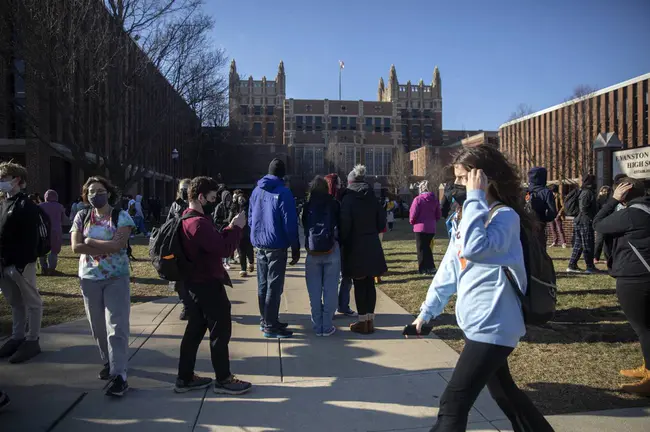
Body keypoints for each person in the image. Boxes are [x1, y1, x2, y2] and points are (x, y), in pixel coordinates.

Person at [413, 145, 553, 432]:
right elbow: (450, 269)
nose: (460, 186)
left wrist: (475, 198)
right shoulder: (469, 216)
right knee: (506, 394)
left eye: (464, 178)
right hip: (478, 322)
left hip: (495, 323)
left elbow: (476, 249)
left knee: (453, 403)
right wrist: (427, 312)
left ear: (484, 178)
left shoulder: (505, 217)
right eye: (459, 180)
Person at [175, 176, 252, 395]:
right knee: (220, 331)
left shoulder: (187, 219)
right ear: (200, 197)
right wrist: (236, 228)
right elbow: (224, 249)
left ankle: (185, 377)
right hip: (207, 284)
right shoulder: (197, 223)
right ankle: (224, 379)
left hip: (195, 284)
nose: (215, 201)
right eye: (212, 197)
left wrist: (228, 228)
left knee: (195, 330)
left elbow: (215, 243)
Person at [70, 176, 135, 397]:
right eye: (90, 192)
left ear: (108, 192)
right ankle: (108, 361)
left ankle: (120, 376)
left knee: (116, 326)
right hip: (88, 278)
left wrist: (90, 242)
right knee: (97, 326)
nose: (94, 195)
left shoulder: (121, 216)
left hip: (116, 278)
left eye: (99, 190)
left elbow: (118, 245)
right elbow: (74, 247)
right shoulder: (82, 216)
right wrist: (99, 246)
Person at [593, 178, 650, 396]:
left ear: (623, 193)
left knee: (643, 328)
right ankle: (646, 367)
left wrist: (612, 201)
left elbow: (598, 223)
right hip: (645, 273)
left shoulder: (631, 214)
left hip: (634, 277)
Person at [249, 158, 300, 339]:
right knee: (274, 286)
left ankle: (266, 319)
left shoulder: (256, 191)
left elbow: (250, 217)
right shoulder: (284, 192)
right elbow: (290, 222)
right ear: (282, 175)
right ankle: (270, 324)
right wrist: (295, 245)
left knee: (262, 284)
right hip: (276, 244)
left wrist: (254, 235)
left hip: (259, 243)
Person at [0, 162, 44, 364]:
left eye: (3, 179)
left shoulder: (27, 206)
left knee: (32, 302)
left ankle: (32, 340)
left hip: (20, 264)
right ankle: (17, 337)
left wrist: (21, 263)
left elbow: (30, 239)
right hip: (4, 264)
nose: (1, 183)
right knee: (15, 303)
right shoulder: (3, 203)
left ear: (17, 180)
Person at [340, 165, 387, 335]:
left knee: (359, 283)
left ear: (350, 182)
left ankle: (362, 322)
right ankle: (370, 321)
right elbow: (382, 223)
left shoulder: (348, 199)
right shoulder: (372, 197)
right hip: (372, 244)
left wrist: (343, 241)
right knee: (370, 284)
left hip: (355, 246)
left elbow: (345, 227)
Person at [302, 176, 341, 337]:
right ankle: (327, 325)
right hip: (331, 248)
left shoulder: (307, 205)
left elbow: (304, 226)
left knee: (314, 292)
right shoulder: (334, 203)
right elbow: (341, 224)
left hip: (312, 252)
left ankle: (317, 325)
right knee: (331, 289)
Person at [325, 173, 357, 317]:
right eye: (338, 183)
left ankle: (333, 307)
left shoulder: (324, 200)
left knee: (333, 279)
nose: (341, 185)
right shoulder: (339, 201)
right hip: (340, 243)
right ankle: (341, 305)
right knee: (344, 276)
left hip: (328, 244)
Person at [168, 179, 191, 320]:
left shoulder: (197, 205)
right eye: (182, 189)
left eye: (187, 189)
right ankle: (186, 305)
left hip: (193, 248)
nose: (184, 192)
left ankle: (193, 305)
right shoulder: (175, 205)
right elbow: (168, 224)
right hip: (177, 247)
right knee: (178, 282)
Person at [567, 174, 600, 274]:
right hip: (584, 222)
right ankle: (590, 267)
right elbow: (584, 208)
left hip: (580, 221)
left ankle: (572, 265)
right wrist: (591, 219)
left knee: (579, 244)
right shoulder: (587, 193)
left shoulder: (584, 191)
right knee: (588, 244)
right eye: (594, 181)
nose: (596, 183)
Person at [410, 180, 442, 275]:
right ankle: (431, 267)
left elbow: (413, 213)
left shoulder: (418, 199)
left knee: (421, 249)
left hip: (420, 227)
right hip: (431, 227)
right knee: (427, 248)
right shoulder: (435, 199)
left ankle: (423, 268)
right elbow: (438, 214)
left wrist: (412, 221)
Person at [38, 189, 68, 275]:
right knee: (54, 251)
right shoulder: (60, 206)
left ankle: (44, 268)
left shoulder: (40, 206)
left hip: (43, 231)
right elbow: (63, 219)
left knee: (42, 250)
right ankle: (51, 269)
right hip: (56, 230)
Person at [526, 167, 557, 247]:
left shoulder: (525, 191)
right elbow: (552, 213)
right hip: (539, 225)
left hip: (524, 225)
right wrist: (544, 219)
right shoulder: (546, 192)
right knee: (540, 251)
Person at [231, 192, 254, 277]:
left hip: (248, 232)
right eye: (239, 199)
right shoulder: (235, 208)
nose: (241, 201)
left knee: (249, 250)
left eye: (242, 199)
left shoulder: (249, 207)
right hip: (238, 233)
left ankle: (251, 262)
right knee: (241, 252)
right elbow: (230, 218)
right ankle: (243, 269)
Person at [594, 185, 612, 263]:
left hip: (609, 222)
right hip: (601, 222)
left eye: (607, 191)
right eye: (604, 191)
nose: (606, 193)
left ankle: (607, 258)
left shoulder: (611, 200)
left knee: (608, 242)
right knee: (599, 241)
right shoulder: (598, 200)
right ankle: (595, 257)